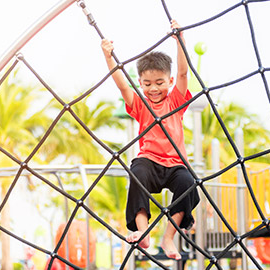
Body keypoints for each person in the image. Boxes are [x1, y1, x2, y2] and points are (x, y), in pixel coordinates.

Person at [101, 20, 200, 260]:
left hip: (176, 165)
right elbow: (123, 85)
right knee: (137, 172)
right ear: (141, 83)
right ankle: (143, 231)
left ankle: (168, 237)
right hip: (149, 160)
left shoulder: (175, 101)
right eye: (146, 84)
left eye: (159, 83)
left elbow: (184, 72)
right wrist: (108, 57)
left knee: (189, 183)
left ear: (170, 82)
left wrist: (180, 42)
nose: (153, 89)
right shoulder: (141, 104)